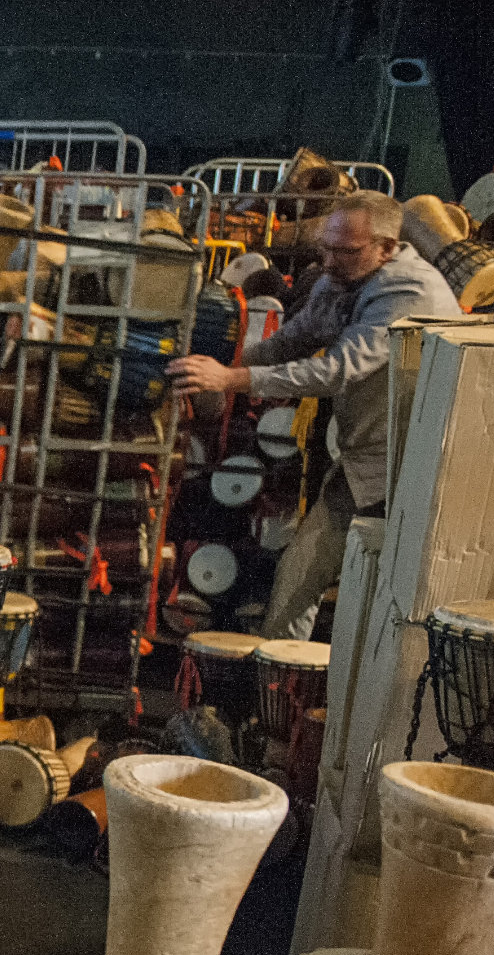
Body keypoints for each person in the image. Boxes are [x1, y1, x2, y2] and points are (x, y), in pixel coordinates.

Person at [169, 190, 461, 639]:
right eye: (325, 247)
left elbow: (336, 371)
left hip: (419, 469)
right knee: (297, 579)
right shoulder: (344, 276)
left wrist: (232, 381)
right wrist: (224, 371)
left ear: (386, 248)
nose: (327, 260)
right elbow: (295, 339)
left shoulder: (409, 291)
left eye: (344, 251)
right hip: (368, 462)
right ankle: (277, 694)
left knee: (398, 604)